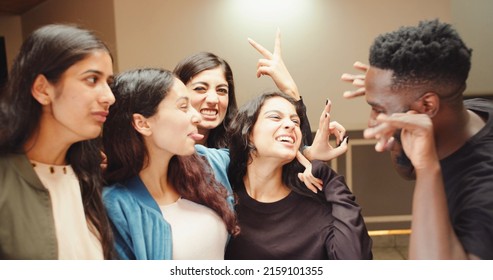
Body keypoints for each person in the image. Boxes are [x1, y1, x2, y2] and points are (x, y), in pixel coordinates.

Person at [342, 19, 493, 259]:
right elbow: (407, 170)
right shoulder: (464, 113)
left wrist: (427, 168)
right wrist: (384, 96)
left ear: (427, 105)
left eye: (377, 109)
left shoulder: (485, 189)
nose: (371, 121)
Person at [0, 24, 115, 259]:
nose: (109, 97)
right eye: (92, 79)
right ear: (42, 89)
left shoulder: (87, 176)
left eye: (109, 83)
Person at [102, 68, 239, 260]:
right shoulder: (117, 206)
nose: (197, 117)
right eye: (183, 107)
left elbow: (258, 154)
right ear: (143, 123)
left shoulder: (203, 165)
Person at [216, 91, 372, 259]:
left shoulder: (316, 206)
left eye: (295, 121)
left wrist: (327, 175)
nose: (290, 125)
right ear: (248, 133)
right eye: (275, 117)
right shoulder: (221, 198)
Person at [173, 30, 313, 149]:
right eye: (200, 89)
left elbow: (299, 161)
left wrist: (290, 90)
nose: (213, 99)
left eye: (221, 90)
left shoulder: (238, 149)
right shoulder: (160, 148)